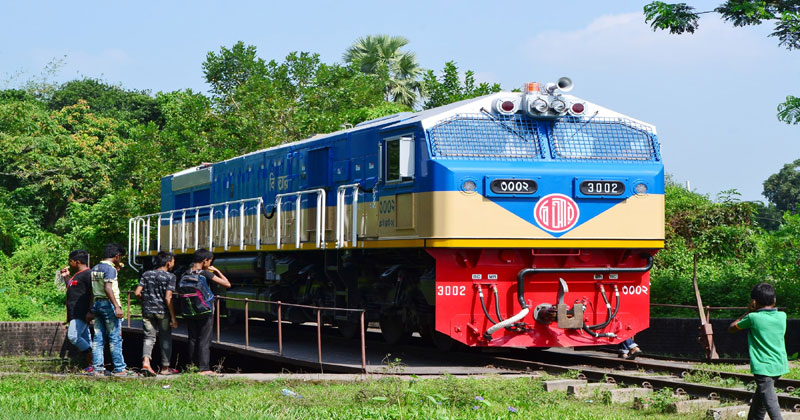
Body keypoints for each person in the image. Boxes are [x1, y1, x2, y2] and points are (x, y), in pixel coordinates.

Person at [729, 282, 789, 420]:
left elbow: (732, 328)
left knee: (770, 402)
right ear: (774, 300)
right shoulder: (782, 316)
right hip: (779, 364)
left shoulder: (753, 318)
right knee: (760, 400)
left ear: (754, 302)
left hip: (763, 367)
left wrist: (749, 311)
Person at [181, 248, 230, 375]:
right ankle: (204, 368)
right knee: (204, 339)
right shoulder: (205, 273)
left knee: (192, 338)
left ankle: (192, 367)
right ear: (205, 261)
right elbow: (227, 284)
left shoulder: (185, 273)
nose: (210, 264)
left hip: (190, 310)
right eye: (210, 261)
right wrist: (217, 271)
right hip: (205, 311)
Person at [90, 243, 133, 376]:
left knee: (98, 338)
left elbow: (92, 290)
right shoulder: (110, 269)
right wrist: (117, 306)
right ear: (117, 256)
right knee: (115, 337)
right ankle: (120, 368)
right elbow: (108, 288)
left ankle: (97, 368)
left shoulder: (95, 268)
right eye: (120, 258)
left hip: (97, 304)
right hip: (108, 304)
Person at [134, 251, 178, 376]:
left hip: (147, 311)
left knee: (149, 337)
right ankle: (165, 368)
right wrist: (173, 318)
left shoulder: (147, 274)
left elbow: (137, 292)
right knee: (165, 338)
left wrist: (146, 300)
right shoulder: (170, 277)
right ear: (168, 262)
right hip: (163, 312)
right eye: (173, 261)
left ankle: (146, 363)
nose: (174, 264)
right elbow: (168, 297)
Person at [60, 250, 94, 372]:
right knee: (85, 338)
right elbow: (71, 286)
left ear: (77, 261)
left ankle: (93, 358)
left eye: (70, 261)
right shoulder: (77, 275)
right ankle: (92, 365)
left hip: (81, 313)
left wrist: (90, 311)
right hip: (74, 313)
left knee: (73, 336)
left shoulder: (88, 274)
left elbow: (93, 294)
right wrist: (66, 277)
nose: (69, 263)